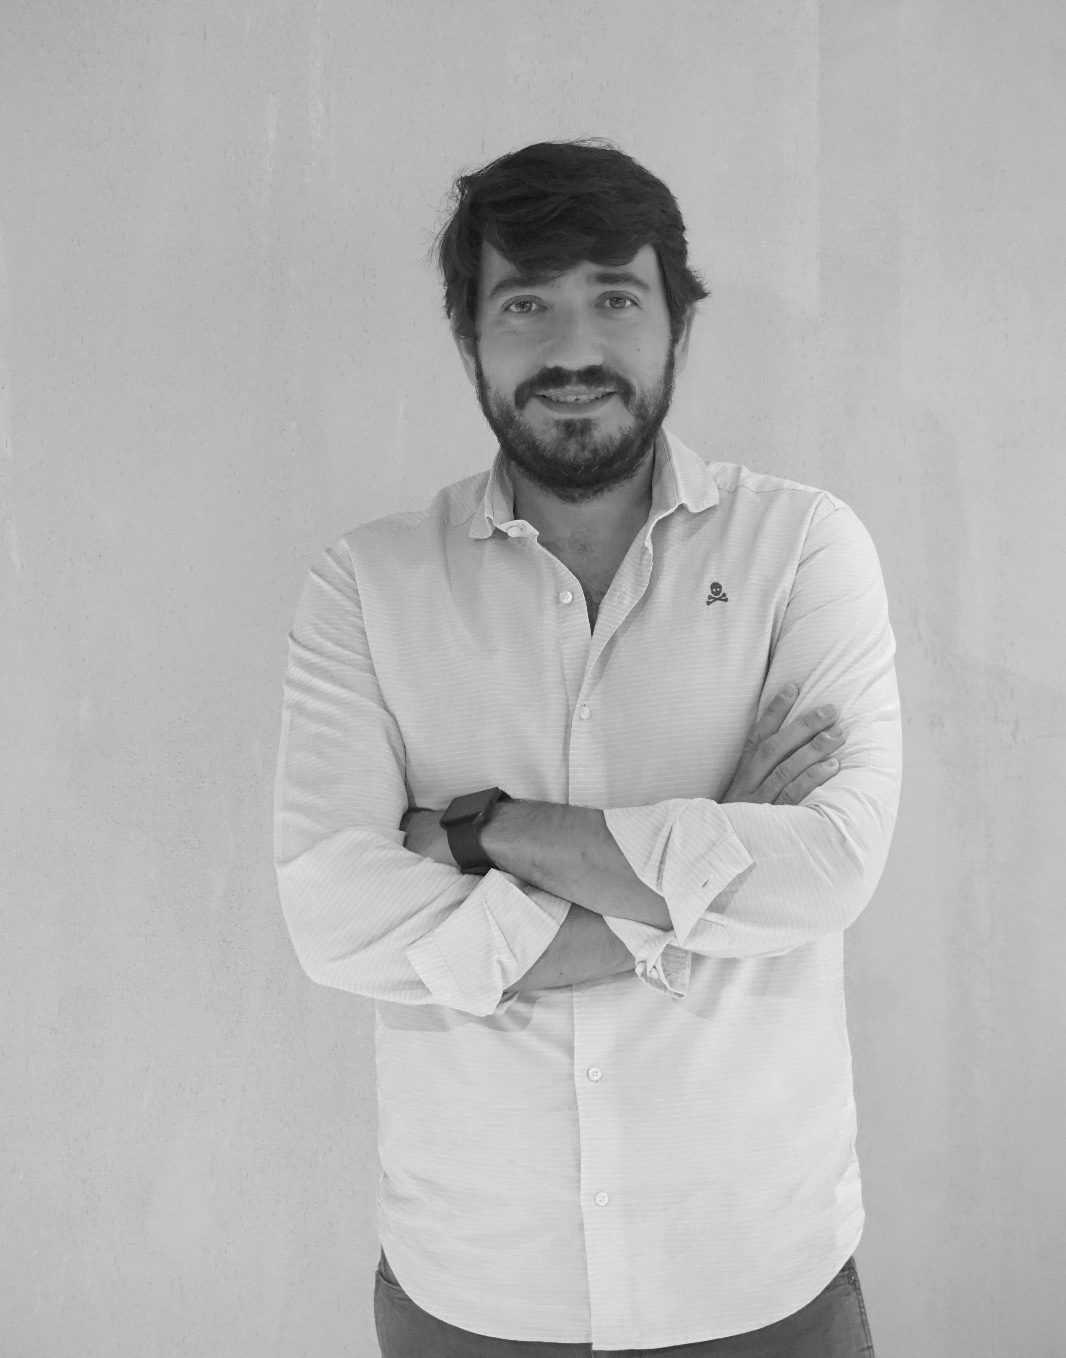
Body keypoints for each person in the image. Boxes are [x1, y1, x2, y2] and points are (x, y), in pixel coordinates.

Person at [273, 140, 899, 1357]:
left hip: (761, 1279)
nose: (573, 348)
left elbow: (831, 866)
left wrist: (478, 830)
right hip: (478, 1287)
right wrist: (705, 860)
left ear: (675, 326)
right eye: (526, 305)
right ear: (469, 338)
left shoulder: (802, 551)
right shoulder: (367, 585)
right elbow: (330, 912)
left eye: (615, 295)